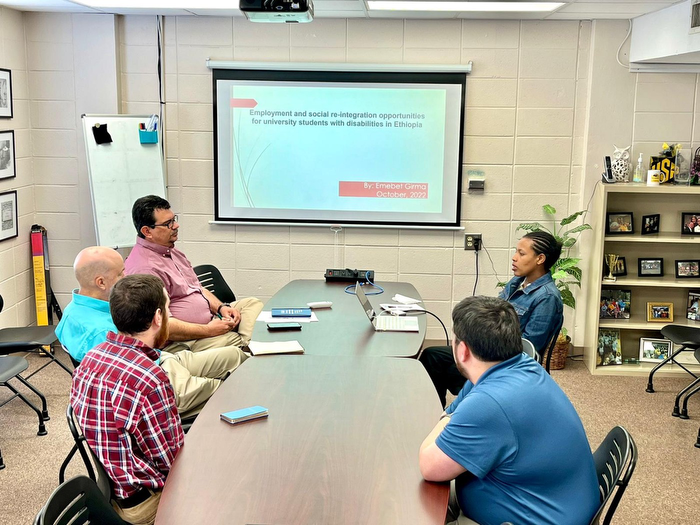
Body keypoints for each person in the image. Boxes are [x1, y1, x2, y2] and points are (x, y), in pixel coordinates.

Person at [418, 296, 599, 525]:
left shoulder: (488, 403)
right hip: (552, 500)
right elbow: (456, 409)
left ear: (462, 350)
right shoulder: (519, 365)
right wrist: (453, 417)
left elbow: (429, 466)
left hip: (537, 517)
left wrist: (448, 420)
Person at [58, 246, 245, 417]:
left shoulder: (75, 309)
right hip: (155, 377)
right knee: (233, 390)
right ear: (101, 282)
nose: (126, 278)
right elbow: (134, 382)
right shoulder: (99, 333)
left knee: (235, 356)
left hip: (160, 359)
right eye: (121, 274)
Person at [70, 274, 184, 525]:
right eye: (167, 309)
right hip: (146, 504)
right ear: (157, 317)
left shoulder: (91, 358)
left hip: (113, 490)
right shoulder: (150, 378)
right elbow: (173, 463)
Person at [420, 231, 564, 406]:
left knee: (441, 363)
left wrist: (480, 350)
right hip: (487, 350)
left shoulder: (547, 297)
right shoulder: (517, 282)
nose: (514, 258)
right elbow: (492, 317)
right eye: (516, 251)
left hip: (503, 365)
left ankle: (457, 414)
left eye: (521, 253)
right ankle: (435, 413)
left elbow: (529, 348)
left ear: (540, 259)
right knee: (432, 356)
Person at [124, 195, 263, 357]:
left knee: (252, 304)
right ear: (147, 231)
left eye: (174, 219)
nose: (176, 225)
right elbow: (161, 326)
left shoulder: (172, 251)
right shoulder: (144, 269)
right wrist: (209, 330)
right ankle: (245, 347)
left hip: (209, 322)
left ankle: (246, 346)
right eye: (168, 224)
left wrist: (221, 308)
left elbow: (197, 288)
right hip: (184, 342)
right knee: (234, 342)